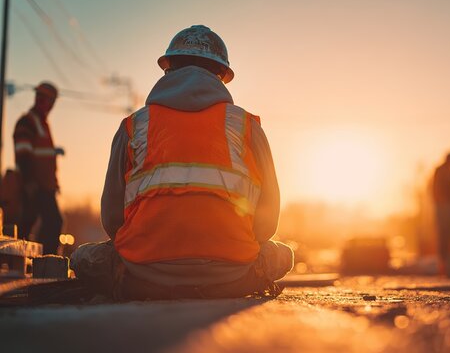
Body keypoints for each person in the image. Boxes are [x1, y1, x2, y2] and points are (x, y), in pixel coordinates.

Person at [71, 25, 293, 300]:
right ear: (221, 76)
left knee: (81, 257)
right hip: (233, 276)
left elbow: (112, 219)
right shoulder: (245, 127)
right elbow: (266, 225)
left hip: (142, 276)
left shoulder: (135, 126)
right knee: (284, 255)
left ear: (169, 68)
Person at [13, 82, 64, 254]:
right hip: (36, 185)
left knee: (28, 225)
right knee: (51, 222)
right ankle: (44, 264)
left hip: (45, 186)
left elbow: (44, 157)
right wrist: (29, 182)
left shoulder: (42, 124)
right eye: (50, 101)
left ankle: (32, 264)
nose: (50, 105)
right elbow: (23, 153)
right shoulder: (28, 121)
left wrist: (54, 182)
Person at [432, 152, 450, 265]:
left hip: (449, 204)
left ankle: (446, 257)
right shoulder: (442, 171)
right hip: (443, 205)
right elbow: (436, 188)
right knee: (444, 231)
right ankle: (442, 258)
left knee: (448, 231)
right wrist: (441, 200)